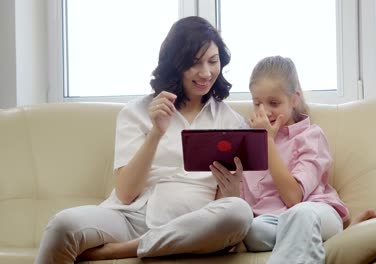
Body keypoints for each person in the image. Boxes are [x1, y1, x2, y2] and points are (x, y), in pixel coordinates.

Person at [34, 16, 253, 264]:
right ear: (175, 65)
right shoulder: (136, 112)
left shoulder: (232, 122)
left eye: (213, 62)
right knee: (63, 225)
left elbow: (220, 210)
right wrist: (156, 133)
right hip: (130, 217)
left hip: (192, 223)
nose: (206, 72)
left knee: (239, 212)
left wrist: (232, 191)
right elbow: (126, 193)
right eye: (194, 63)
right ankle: (146, 244)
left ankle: (122, 251)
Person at [210, 56, 376, 264]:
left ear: (294, 98)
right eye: (257, 104)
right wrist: (232, 190)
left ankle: (328, 235)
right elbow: (242, 209)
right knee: (253, 231)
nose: (265, 111)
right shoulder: (246, 145)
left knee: (299, 215)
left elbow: (293, 198)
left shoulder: (311, 137)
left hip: (314, 210)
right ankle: (332, 240)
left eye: (274, 103)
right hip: (272, 223)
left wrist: (267, 142)